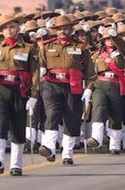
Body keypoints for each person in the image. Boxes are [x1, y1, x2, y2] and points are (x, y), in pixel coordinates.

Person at [0, 14, 39, 175]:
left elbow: (35, 73)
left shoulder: (28, 48)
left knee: (17, 127)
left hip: (19, 90)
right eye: (5, 27)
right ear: (1, 30)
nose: (9, 30)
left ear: (18, 28)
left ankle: (16, 164)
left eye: (12, 26)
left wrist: (34, 96)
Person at [38, 16, 94, 165]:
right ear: (55, 31)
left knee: (71, 119)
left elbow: (90, 72)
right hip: (51, 85)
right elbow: (39, 65)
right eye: (60, 28)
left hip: (72, 86)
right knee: (52, 114)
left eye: (66, 28)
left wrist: (88, 89)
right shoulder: (46, 46)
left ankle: (67, 153)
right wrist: (40, 71)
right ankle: (49, 146)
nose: (63, 31)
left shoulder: (80, 47)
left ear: (71, 29)